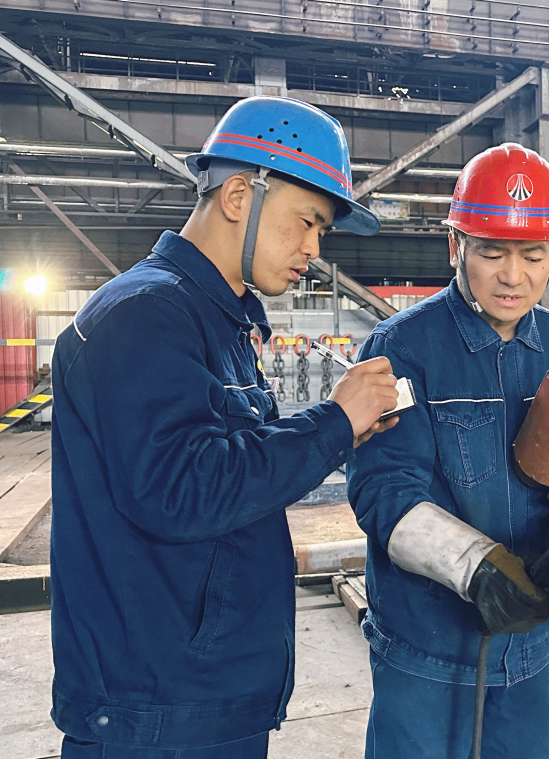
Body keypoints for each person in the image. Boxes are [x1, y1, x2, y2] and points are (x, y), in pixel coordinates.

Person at [50, 96, 401, 758]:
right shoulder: (146, 315)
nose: (313, 248)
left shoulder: (219, 320)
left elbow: (229, 463)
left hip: (200, 696)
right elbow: (181, 489)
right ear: (240, 194)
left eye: (321, 232)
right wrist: (331, 422)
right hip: (156, 712)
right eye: (307, 221)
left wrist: (337, 433)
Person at [347, 143, 549, 759]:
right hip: (428, 652)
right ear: (455, 246)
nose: (514, 276)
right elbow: (383, 491)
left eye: (533, 255)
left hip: (532, 649)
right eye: (492, 252)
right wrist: (475, 567)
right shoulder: (403, 349)